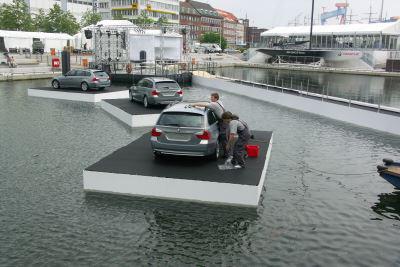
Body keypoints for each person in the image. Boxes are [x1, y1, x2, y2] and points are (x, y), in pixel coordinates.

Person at [192, 93, 228, 157]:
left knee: (223, 137)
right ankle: (224, 149)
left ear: (216, 98)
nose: (210, 99)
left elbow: (204, 104)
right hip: (224, 121)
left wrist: (193, 104)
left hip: (222, 122)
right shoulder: (219, 102)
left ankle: (226, 153)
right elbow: (207, 105)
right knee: (223, 137)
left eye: (212, 97)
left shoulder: (213, 104)